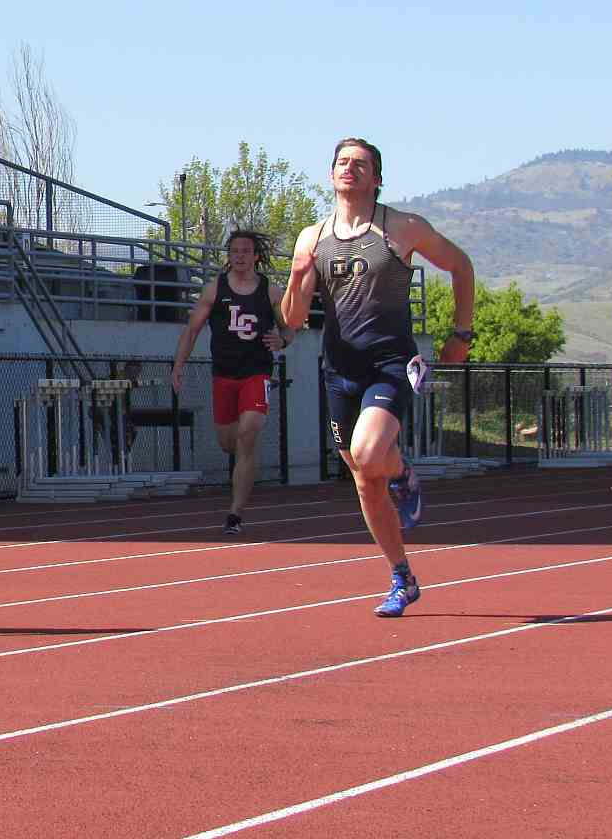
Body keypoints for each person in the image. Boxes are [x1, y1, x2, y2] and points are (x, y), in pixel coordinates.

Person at [279, 137, 475, 617]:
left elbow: (460, 266)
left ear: (377, 178)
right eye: (342, 162)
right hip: (339, 369)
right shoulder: (311, 238)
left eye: (361, 164)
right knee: (365, 479)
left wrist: (461, 334)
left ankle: (399, 472)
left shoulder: (403, 228)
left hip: (390, 364)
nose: (350, 168)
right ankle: (402, 575)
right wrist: (298, 276)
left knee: (368, 456)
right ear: (331, 174)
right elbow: (292, 319)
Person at [171, 229, 292, 536]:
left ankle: (235, 514)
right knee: (229, 443)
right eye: (234, 251)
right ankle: (245, 458)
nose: (239, 256)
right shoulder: (215, 289)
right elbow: (192, 330)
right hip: (224, 374)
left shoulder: (271, 291)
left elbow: (291, 326)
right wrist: (178, 366)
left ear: (256, 256)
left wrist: (282, 340)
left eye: (245, 251)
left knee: (249, 430)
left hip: (257, 372)